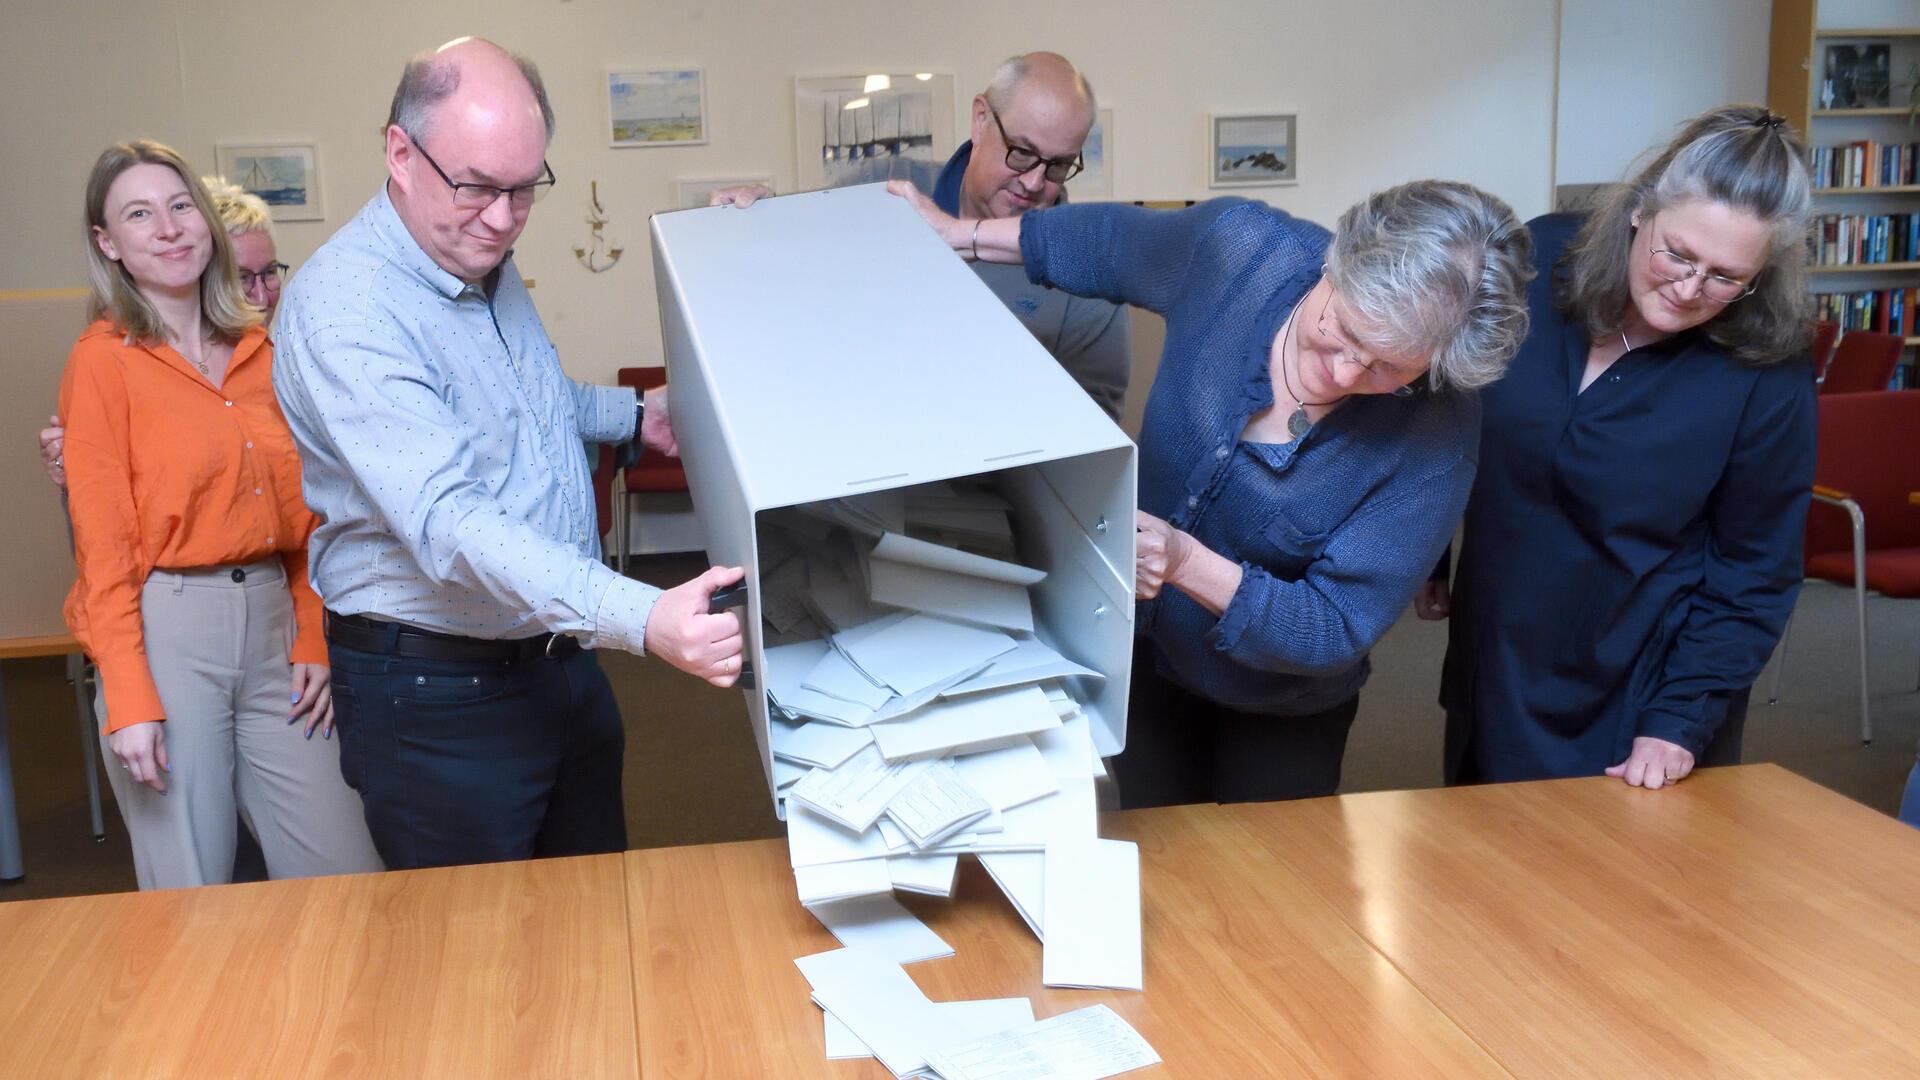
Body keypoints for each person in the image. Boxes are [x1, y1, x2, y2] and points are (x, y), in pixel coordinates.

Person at [889, 177, 1533, 805]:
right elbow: (1110, 242)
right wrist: (960, 233)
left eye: (1391, 367)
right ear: (1337, 261)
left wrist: (1185, 562)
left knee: (1265, 884)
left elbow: (1336, 625)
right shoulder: (1243, 251)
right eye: (1346, 330)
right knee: (1161, 847)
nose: (1344, 372)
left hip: (1283, 708)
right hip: (1144, 653)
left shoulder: (1438, 435)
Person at [272, 38, 744, 871]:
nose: (501, 217)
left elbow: (522, 403)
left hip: (552, 659)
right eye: (478, 187)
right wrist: (643, 613)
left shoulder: (471, 249)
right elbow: (450, 522)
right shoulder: (346, 307)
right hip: (437, 699)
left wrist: (637, 413)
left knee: (595, 919)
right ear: (399, 152)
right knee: (480, 962)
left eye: (524, 189)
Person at [1420, 105, 1816, 790]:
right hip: (1497, 652)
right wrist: (1430, 551)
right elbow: (1449, 406)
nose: (1691, 289)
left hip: (1640, 688)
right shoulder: (1537, 264)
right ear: (1641, 211)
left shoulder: (1767, 368)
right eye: (1678, 254)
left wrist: (1679, 718)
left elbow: (1756, 565)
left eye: (1726, 277)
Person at [60, 139, 382, 889]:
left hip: (277, 627)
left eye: (180, 207)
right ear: (109, 243)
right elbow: (103, 551)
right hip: (169, 631)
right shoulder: (102, 362)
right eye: (139, 214)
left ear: (206, 222)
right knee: (192, 886)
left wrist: (312, 636)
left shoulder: (261, 350)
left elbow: (316, 516)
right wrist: (130, 694)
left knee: (347, 871)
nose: (169, 229)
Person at [712, 52, 1130, 421]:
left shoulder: (1087, 277)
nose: (1035, 182)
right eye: (1020, 153)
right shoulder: (883, 189)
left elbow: (1092, 448)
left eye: (1057, 166)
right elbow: (779, 276)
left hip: (983, 498)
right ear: (981, 119)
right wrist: (759, 221)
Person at [41, 177, 288, 486]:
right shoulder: (112, 362)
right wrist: (76, 470)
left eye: (269, 273)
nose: (262, 297)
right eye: (240, 278)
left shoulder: (277, 358)